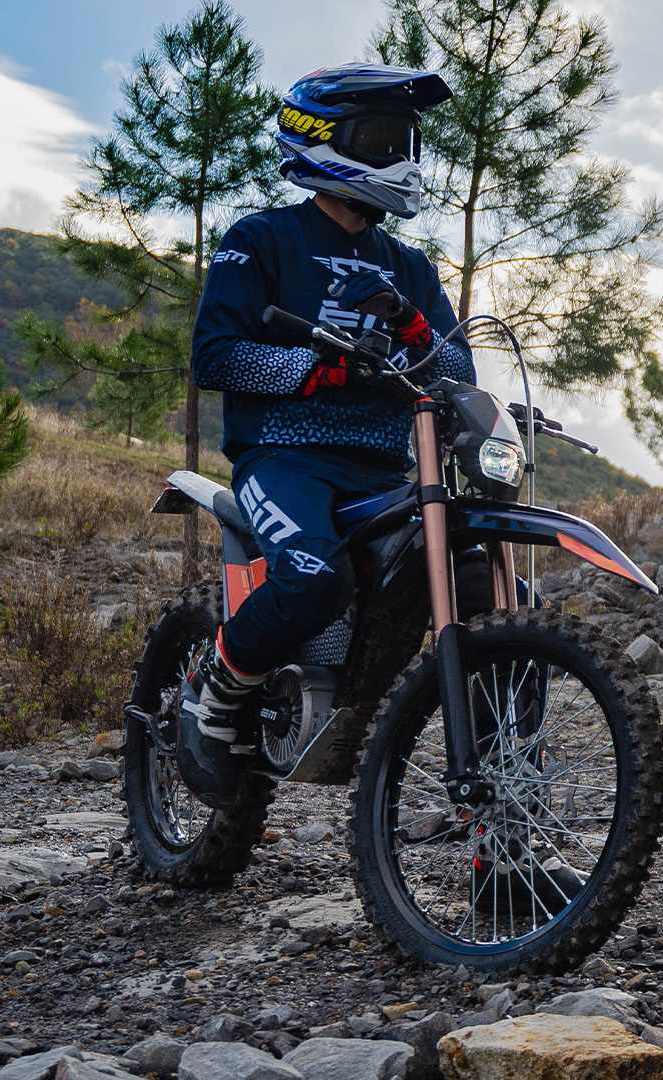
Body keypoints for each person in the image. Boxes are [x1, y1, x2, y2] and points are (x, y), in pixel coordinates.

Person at [177, 64, 475, 808]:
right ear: (322, 139)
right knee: (313, 576)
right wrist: (315, 370)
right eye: (381, 137)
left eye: (405, 139)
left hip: (387, 467)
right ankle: (214, 693)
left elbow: (458, 368)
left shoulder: (408, 266)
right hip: (285, 457)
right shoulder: (261, 239)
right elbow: (215, 356)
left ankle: (501, 799)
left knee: (485, 584)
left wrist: (412, 324)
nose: (399, 155)